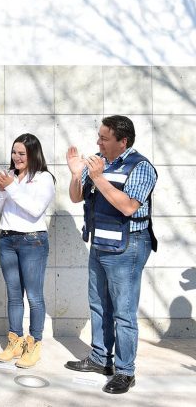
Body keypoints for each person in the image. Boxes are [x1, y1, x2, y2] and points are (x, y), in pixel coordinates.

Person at [64, 115, 157, 395]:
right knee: (98, 305)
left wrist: (98, 177)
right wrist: (74, 173)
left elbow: (128, 206)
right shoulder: (98, 162)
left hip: (128, 247)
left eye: (104, 138)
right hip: (101, 243)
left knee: (124, 313)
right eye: (99, 137)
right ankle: (100, 359)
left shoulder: (141, 167)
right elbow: (76, 197)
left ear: (122, 141)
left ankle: (125, 371)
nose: (97, 142)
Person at [0, 134, 55, 368]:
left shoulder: (44, 179)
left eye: (21, 153)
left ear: (33, 154)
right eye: (14, 152)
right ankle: (14, 341)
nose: (16, 157)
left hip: (32, 242)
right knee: (14, 295)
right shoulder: (10, 178)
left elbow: (35, 210)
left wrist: (12, 187)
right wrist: (2, 191)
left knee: (34, 296)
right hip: (7, 240)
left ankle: (34, 344)